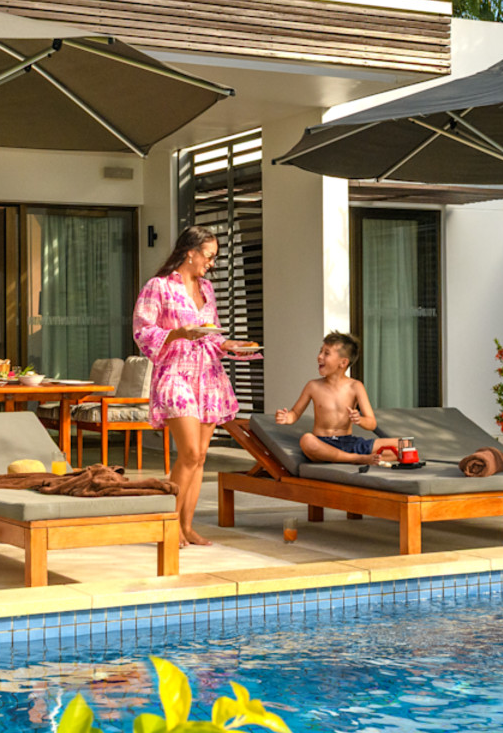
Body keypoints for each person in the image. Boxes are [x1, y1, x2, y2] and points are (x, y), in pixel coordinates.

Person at [132, 225, 253, 547]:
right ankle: (168, 526)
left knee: (200, 456)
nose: (211, 263)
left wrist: (229, 345)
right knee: (186, 453)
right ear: (191, 252)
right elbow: (142, 332)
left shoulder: (207, 289)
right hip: (175, 373)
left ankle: (186, 526)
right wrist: (178, 333)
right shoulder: (158, 286)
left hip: (208, 375)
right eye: (209, 256)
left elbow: (211, 333)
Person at [275, 332, 381, 463]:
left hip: (348, 441)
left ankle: (342, 457)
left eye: (326, 353)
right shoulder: (313, 386)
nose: (319, 356)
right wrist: (287, 418)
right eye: (320, 352)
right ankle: (357, 458)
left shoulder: (356, 386)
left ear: (343, 363)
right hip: (321, 442)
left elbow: (372, 424)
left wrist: (360, 419)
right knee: (307, 440)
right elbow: (295, 413)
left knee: (402, 445)